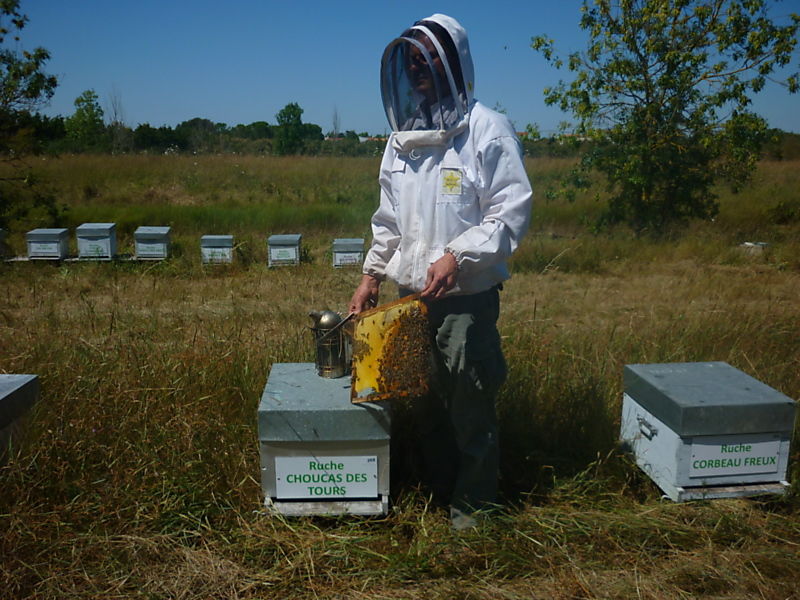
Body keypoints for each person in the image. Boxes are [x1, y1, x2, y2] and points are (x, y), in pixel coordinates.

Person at [349, 13, 532, 529]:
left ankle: (473, 513)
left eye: (429, 58)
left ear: (454, 62)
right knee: (422, 402)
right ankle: (438, 492)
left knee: (471, 406)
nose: (418, 68)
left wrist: (460, 255)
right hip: (412, 300)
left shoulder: (486, 129)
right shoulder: (402, 140)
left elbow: (510, 211)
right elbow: (389, 220)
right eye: (411, 61)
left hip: (467, 303)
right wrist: (370, 277)